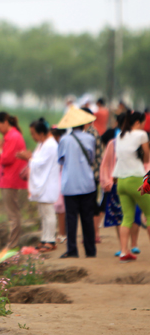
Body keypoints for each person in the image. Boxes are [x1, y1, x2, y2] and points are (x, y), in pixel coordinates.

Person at [56, 106, 98, 258]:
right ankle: (90, 251)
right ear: (83, 124)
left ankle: (72, 250)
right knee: (87, 218)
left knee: (71, 219)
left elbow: (61, 160)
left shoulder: (64, 140)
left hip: (70, 185)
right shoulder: (90, 138)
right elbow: (91, 159)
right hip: (87, 183)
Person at [16, 118, 60, 252]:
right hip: (43, 183)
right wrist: (29, 157)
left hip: (48, 183)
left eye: (33, 134)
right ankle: (45, 238)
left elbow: (41, 164)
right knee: (43, 213)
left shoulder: (51, 145)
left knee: (48, 212)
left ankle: (51, 240)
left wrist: (28, 158)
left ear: (41, 133)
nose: (32, 137)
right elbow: (37, 160)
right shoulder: (42, 144)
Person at [112, 111, 150, 262]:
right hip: (136, 178)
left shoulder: (119, 135)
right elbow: (147, 154)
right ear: (137, 123)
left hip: (121, 180)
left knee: (127, 217)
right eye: (143, 122)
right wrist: (145, 160)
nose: (144, 125)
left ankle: (123, 252)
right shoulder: (141, 135)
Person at [0, 112, 28, 250]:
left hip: (11, 180)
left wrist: (0, 147)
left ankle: (12, 244)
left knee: (13, 214)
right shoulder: (11, 136)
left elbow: (6, 159)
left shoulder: (13, 136)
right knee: (13, 212)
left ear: (6, 121)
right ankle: (12, 243)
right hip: (8, 179)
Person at [81, 107, 104, 243]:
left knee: (90, 205)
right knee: (91, 204)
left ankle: (94, 234)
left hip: (91, 173)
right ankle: (94, 234)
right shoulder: (92, 132)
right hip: (93, 173)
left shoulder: (90, 134)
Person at [52, 127, 67, 243]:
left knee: (60, 207)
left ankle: (62, 233)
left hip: (61, 177)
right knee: (61, 208)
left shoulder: (59, 146)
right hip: (62, 177)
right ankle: (62, 232)